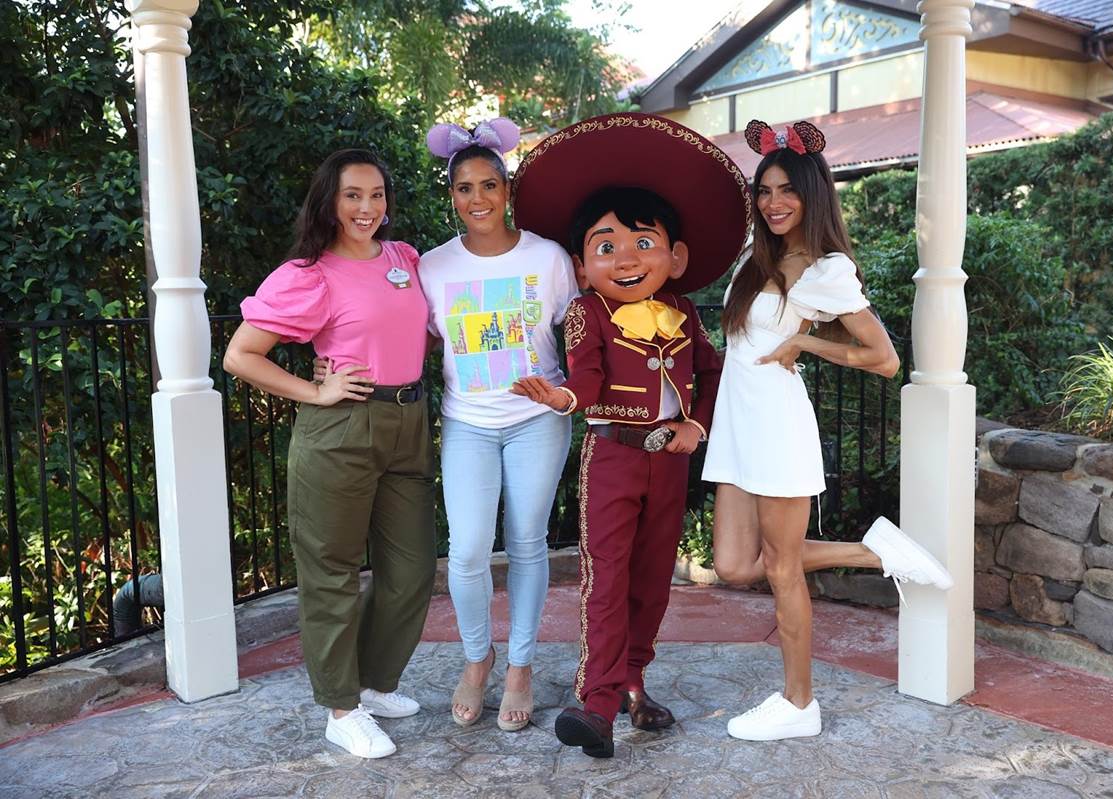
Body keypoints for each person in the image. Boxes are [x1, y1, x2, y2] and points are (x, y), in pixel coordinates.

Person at [702, 120, 953, 742]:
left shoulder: (825, 269)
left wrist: (807, 342)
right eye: (764, 191)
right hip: (736, 428)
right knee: (734, 565)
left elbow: (884, 358)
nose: (774, 202)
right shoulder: (756, 257)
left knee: (783, 570)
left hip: (778, 428)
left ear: (813, 194)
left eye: (787, 190)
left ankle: (799, 703)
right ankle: (876, 553)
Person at [509, 113, 749, 758]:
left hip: (669, 460)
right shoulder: (586, 311)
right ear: (582, 266)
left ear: (677, 257)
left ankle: (634, 683)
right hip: (612, 454)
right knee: (607, 577)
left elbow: (711, 372)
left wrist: (696, 424)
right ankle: (597, 704)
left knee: (652, 579)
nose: (626, 258)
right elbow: (585, 379)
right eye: (606, 245)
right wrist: (562, 397)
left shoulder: (684, 312)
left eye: (644, 242)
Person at [224, 149, 435, 759]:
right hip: (342, 428)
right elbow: (241, 355)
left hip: (409, 419)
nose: (367, 208)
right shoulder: (308, 274)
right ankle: (341, 709)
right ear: (329, 202)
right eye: (352, 196)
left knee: (412, 569)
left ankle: (371, 683)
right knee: (332, 572)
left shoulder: (403, 259)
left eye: (376, 194)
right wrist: (317, 390)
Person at [420, 118, 578, 732]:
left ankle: (520, 667)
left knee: (527, 542)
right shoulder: (433, 267)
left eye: (489, 185)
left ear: (507, 191)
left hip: (537, 420)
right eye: (464, 188)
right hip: (468, 423)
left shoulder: (548, 258)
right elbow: (416, 341)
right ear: (452, 196)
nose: (478, 198)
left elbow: (579, 335)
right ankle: (477, 657)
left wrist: (570, 394)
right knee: (466, 550)